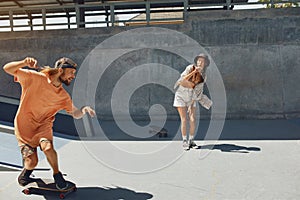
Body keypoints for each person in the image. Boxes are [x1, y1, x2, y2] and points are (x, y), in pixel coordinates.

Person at [3, 57, 96, 189]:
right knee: (32, 162)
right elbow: (7, 68)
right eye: (71, 72)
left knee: (48, 148)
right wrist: (24, 63)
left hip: (44, 126)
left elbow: (75, 113)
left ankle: (57, 175)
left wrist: (84, 110)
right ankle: (26, 173)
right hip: (25, 127)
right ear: (60, 70)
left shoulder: (63, 96)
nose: (73, 76)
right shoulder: (35, 78)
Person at [173, 54, 212, 150]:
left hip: (191, 96)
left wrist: (191, 104)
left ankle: (191, 140)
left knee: (192, 119)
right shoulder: (190, 68)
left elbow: (198, 91)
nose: (200, 63)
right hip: (181, 95)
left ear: (205, 64)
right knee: (184, 119)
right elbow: (182, 80)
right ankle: (184, 141)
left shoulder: (204, 76)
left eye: (202, 61)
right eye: (199, 61)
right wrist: (194, 71)